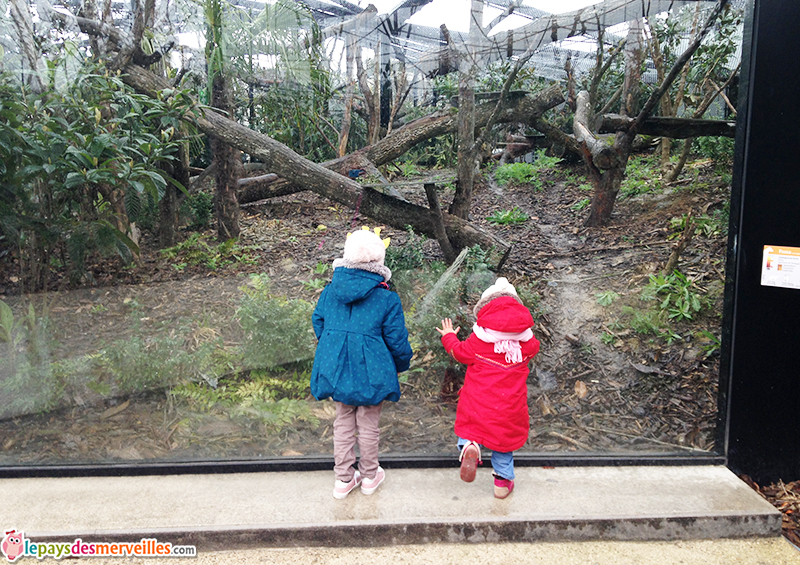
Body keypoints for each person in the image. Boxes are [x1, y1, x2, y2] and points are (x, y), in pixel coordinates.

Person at [311, 227, 413, 499]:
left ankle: (343, 479)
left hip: (337, 368)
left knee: (343, 420)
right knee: (368, 422)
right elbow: (396, 339)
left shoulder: (330, 291)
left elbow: (318, 320)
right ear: (378, 262)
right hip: (373, 371)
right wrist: (401, 363)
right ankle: (370, 476)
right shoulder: (386, 298)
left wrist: (333, 345)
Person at [436, 277, 540, 499]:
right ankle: (502, 484)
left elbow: (459, 352)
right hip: (510, 405)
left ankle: (469, 445)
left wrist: (449, 336)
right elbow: (533, 348)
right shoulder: (528, 345)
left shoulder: (479, 341)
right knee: (504, 442)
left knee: (471, 426)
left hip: (478, 400)